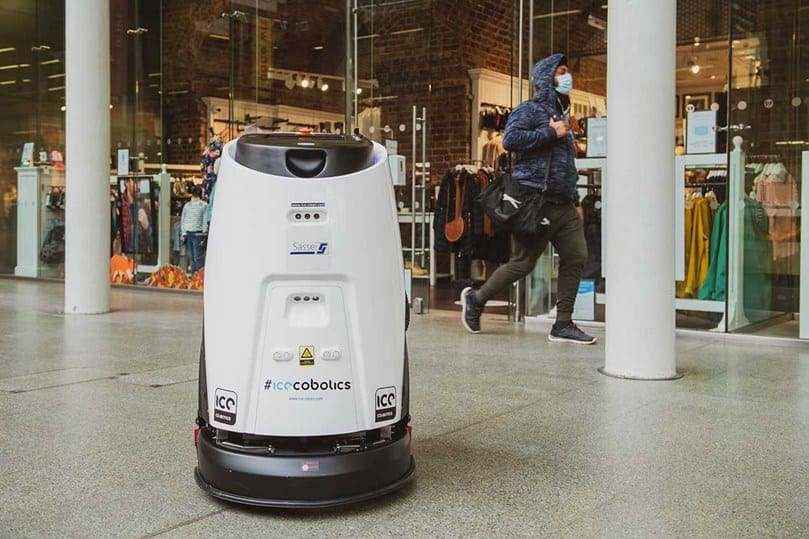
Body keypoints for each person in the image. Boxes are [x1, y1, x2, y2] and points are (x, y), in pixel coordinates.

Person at [461, 53, 596, 345]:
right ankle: (476, 298)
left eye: (567, 71)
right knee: (523, 263)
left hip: (563, 203)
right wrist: (550, 131)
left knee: (577, 257)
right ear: (548, 78)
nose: (566, 77)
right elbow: (511, 140)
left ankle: (562, 323)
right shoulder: (530, 110)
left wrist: (574, 199)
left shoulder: (562, 115)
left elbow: (564, 164)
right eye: (561, 72)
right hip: (535, 202)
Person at [181, 185, 209, 273]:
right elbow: (205, 220)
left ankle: (197, 278)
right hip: (194, 234)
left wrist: (183, 233)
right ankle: (195, 277)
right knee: (194, 258)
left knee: (196, 258)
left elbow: (183, 220)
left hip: (196, 234)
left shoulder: (202, 205)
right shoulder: (189, 205)